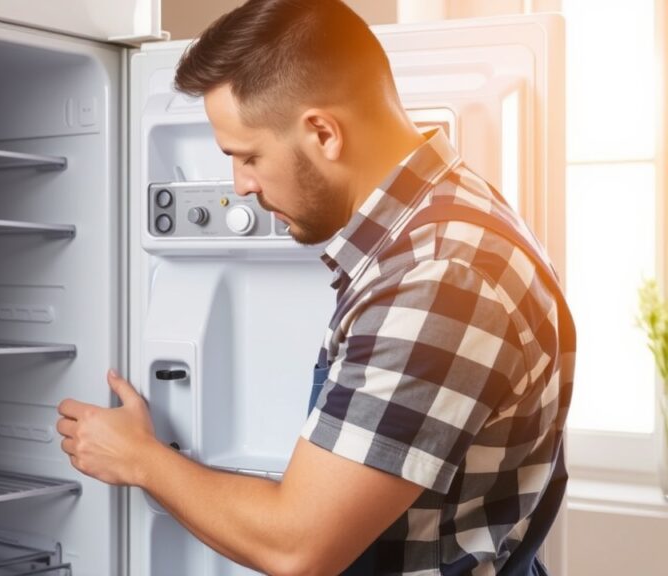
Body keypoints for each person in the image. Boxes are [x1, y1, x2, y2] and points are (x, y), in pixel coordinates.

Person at [56, 1, 574, 574]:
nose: (241, 186)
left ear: (323, 132)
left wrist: (140, 459)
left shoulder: (437, 275)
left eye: (248, 156)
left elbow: (298, 545)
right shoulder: (438, 227)